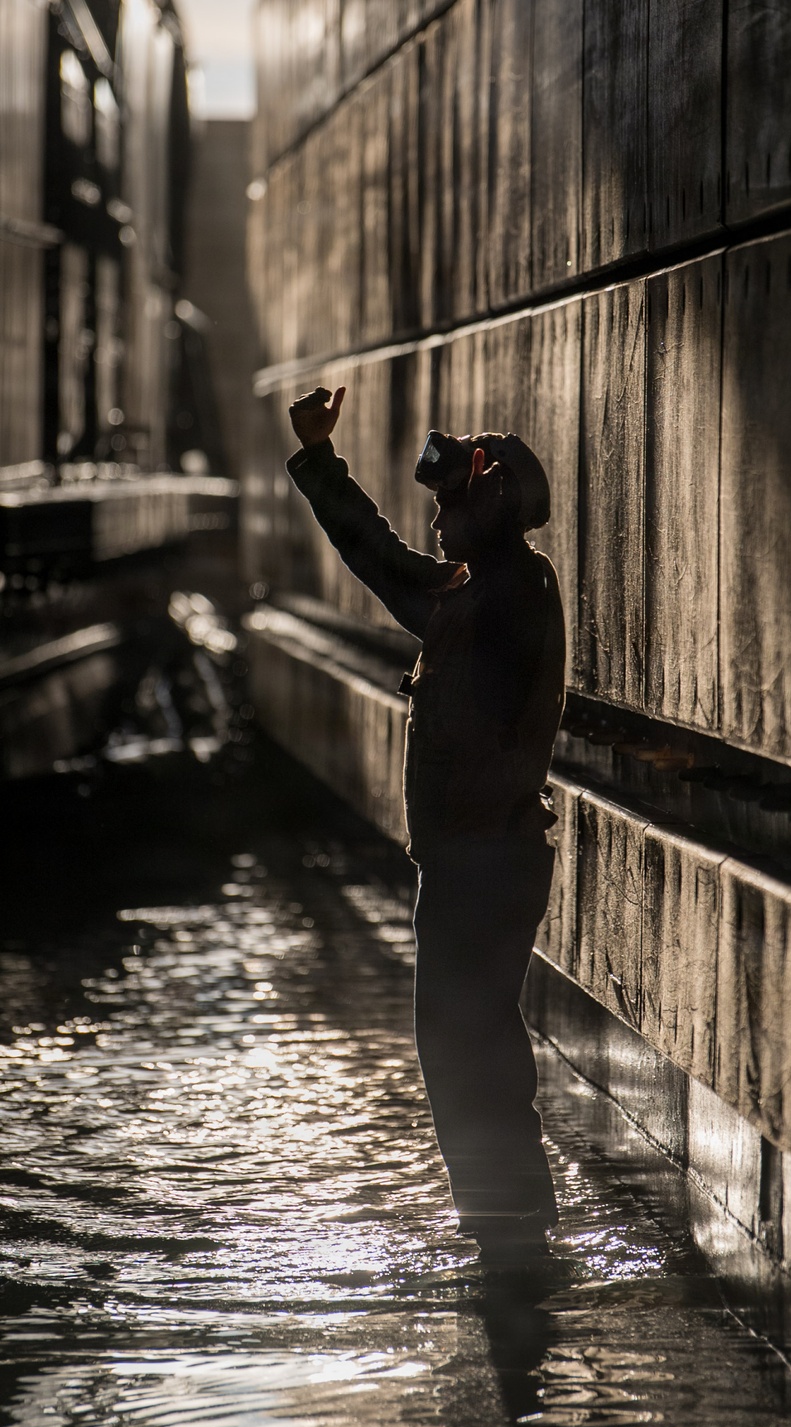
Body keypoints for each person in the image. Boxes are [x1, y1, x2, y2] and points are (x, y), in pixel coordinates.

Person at [286, 385, 566, 1265]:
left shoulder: (506, 594)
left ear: (491, 506)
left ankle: (511, 1236)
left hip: (487, 860)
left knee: (468, 1043)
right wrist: (321, 461)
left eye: (451, 504)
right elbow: (387, 562)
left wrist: (328, 465)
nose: (438, 522)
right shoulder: (482, 589)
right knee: (465, 1043)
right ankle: (505, 1227)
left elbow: (404, 570)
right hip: (471, 861)